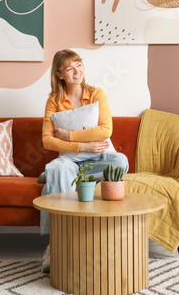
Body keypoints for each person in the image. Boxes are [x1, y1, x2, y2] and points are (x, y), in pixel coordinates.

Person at [39, 49, 129, 272]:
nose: (76, 71)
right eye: (70, 68)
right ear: (60, 74)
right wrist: (81, 147)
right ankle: (55, 246)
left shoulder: (97, 94)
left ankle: (54, 174)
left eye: (79, 65)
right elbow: (47, 142)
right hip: (70, 160)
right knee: (60, 169)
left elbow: (105, 130)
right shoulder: (54, 101)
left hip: (99, 158)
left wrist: (70, 136)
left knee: (121, 162)